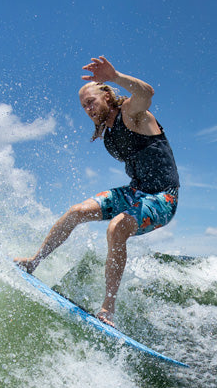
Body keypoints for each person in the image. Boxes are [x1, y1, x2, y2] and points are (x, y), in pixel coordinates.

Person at [15, 56, 180, 326]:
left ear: (106, 95)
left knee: (117, 227)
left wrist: (114, 76)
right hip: (135, 192)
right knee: (76, 212)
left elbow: (146, 93)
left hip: (163, 197)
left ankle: (108, 308)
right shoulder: (109, 133)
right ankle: (33, 262)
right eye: (83, 107)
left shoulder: (132, 113)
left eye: (91, 101)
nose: (88, 109)